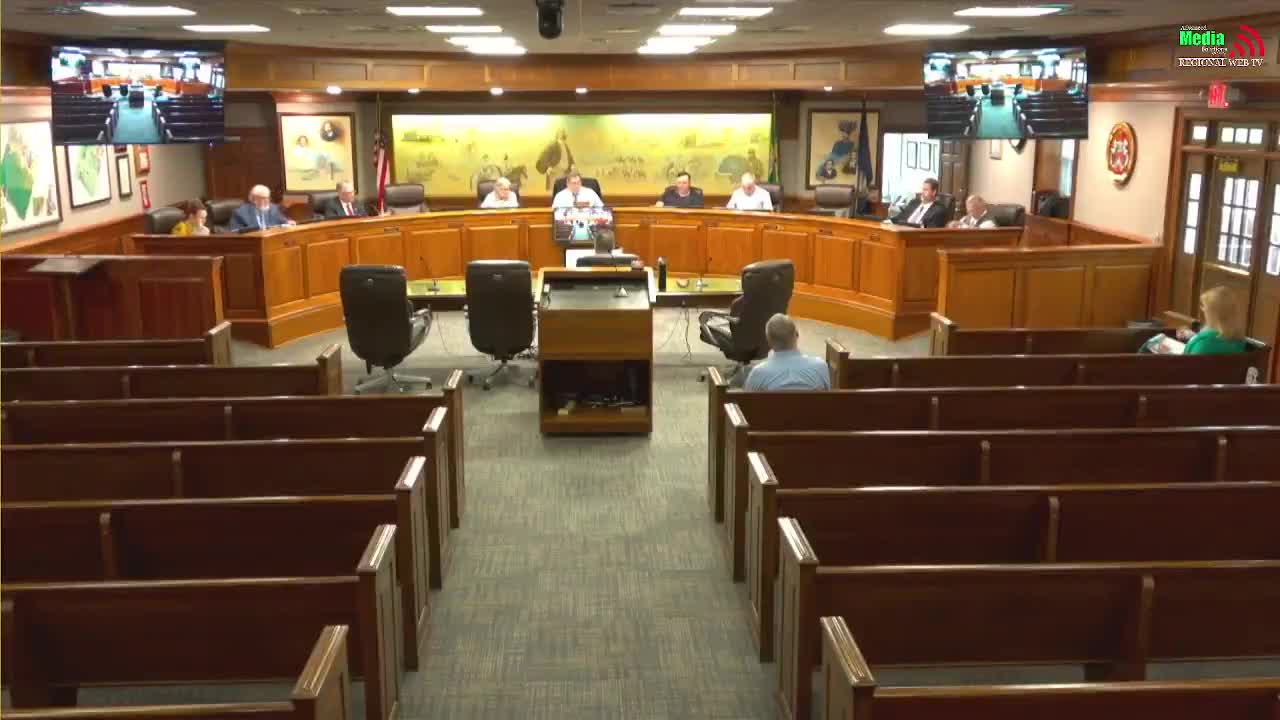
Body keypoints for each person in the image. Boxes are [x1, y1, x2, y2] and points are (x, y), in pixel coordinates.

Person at [743, 314, 832, 391]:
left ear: (769, 342)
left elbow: (747, 403)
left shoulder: (758, 373)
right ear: (797, 334)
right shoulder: (820, 367)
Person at [1180, 286, 1249, 355]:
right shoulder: (1239, 341)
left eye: (1204, 306)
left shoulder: (1203, 345)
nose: (1202, 310)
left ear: (1213, 313)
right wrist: (1194, 337)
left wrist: (1194, 340)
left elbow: (1184, 360)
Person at [227, 185, 295, 231]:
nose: (267, 201)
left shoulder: (273, 208)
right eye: (263, 198)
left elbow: (283, 222)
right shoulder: (240, 213)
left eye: (268, 198)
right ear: (253, 199)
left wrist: (288, 223)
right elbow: (234, 232)